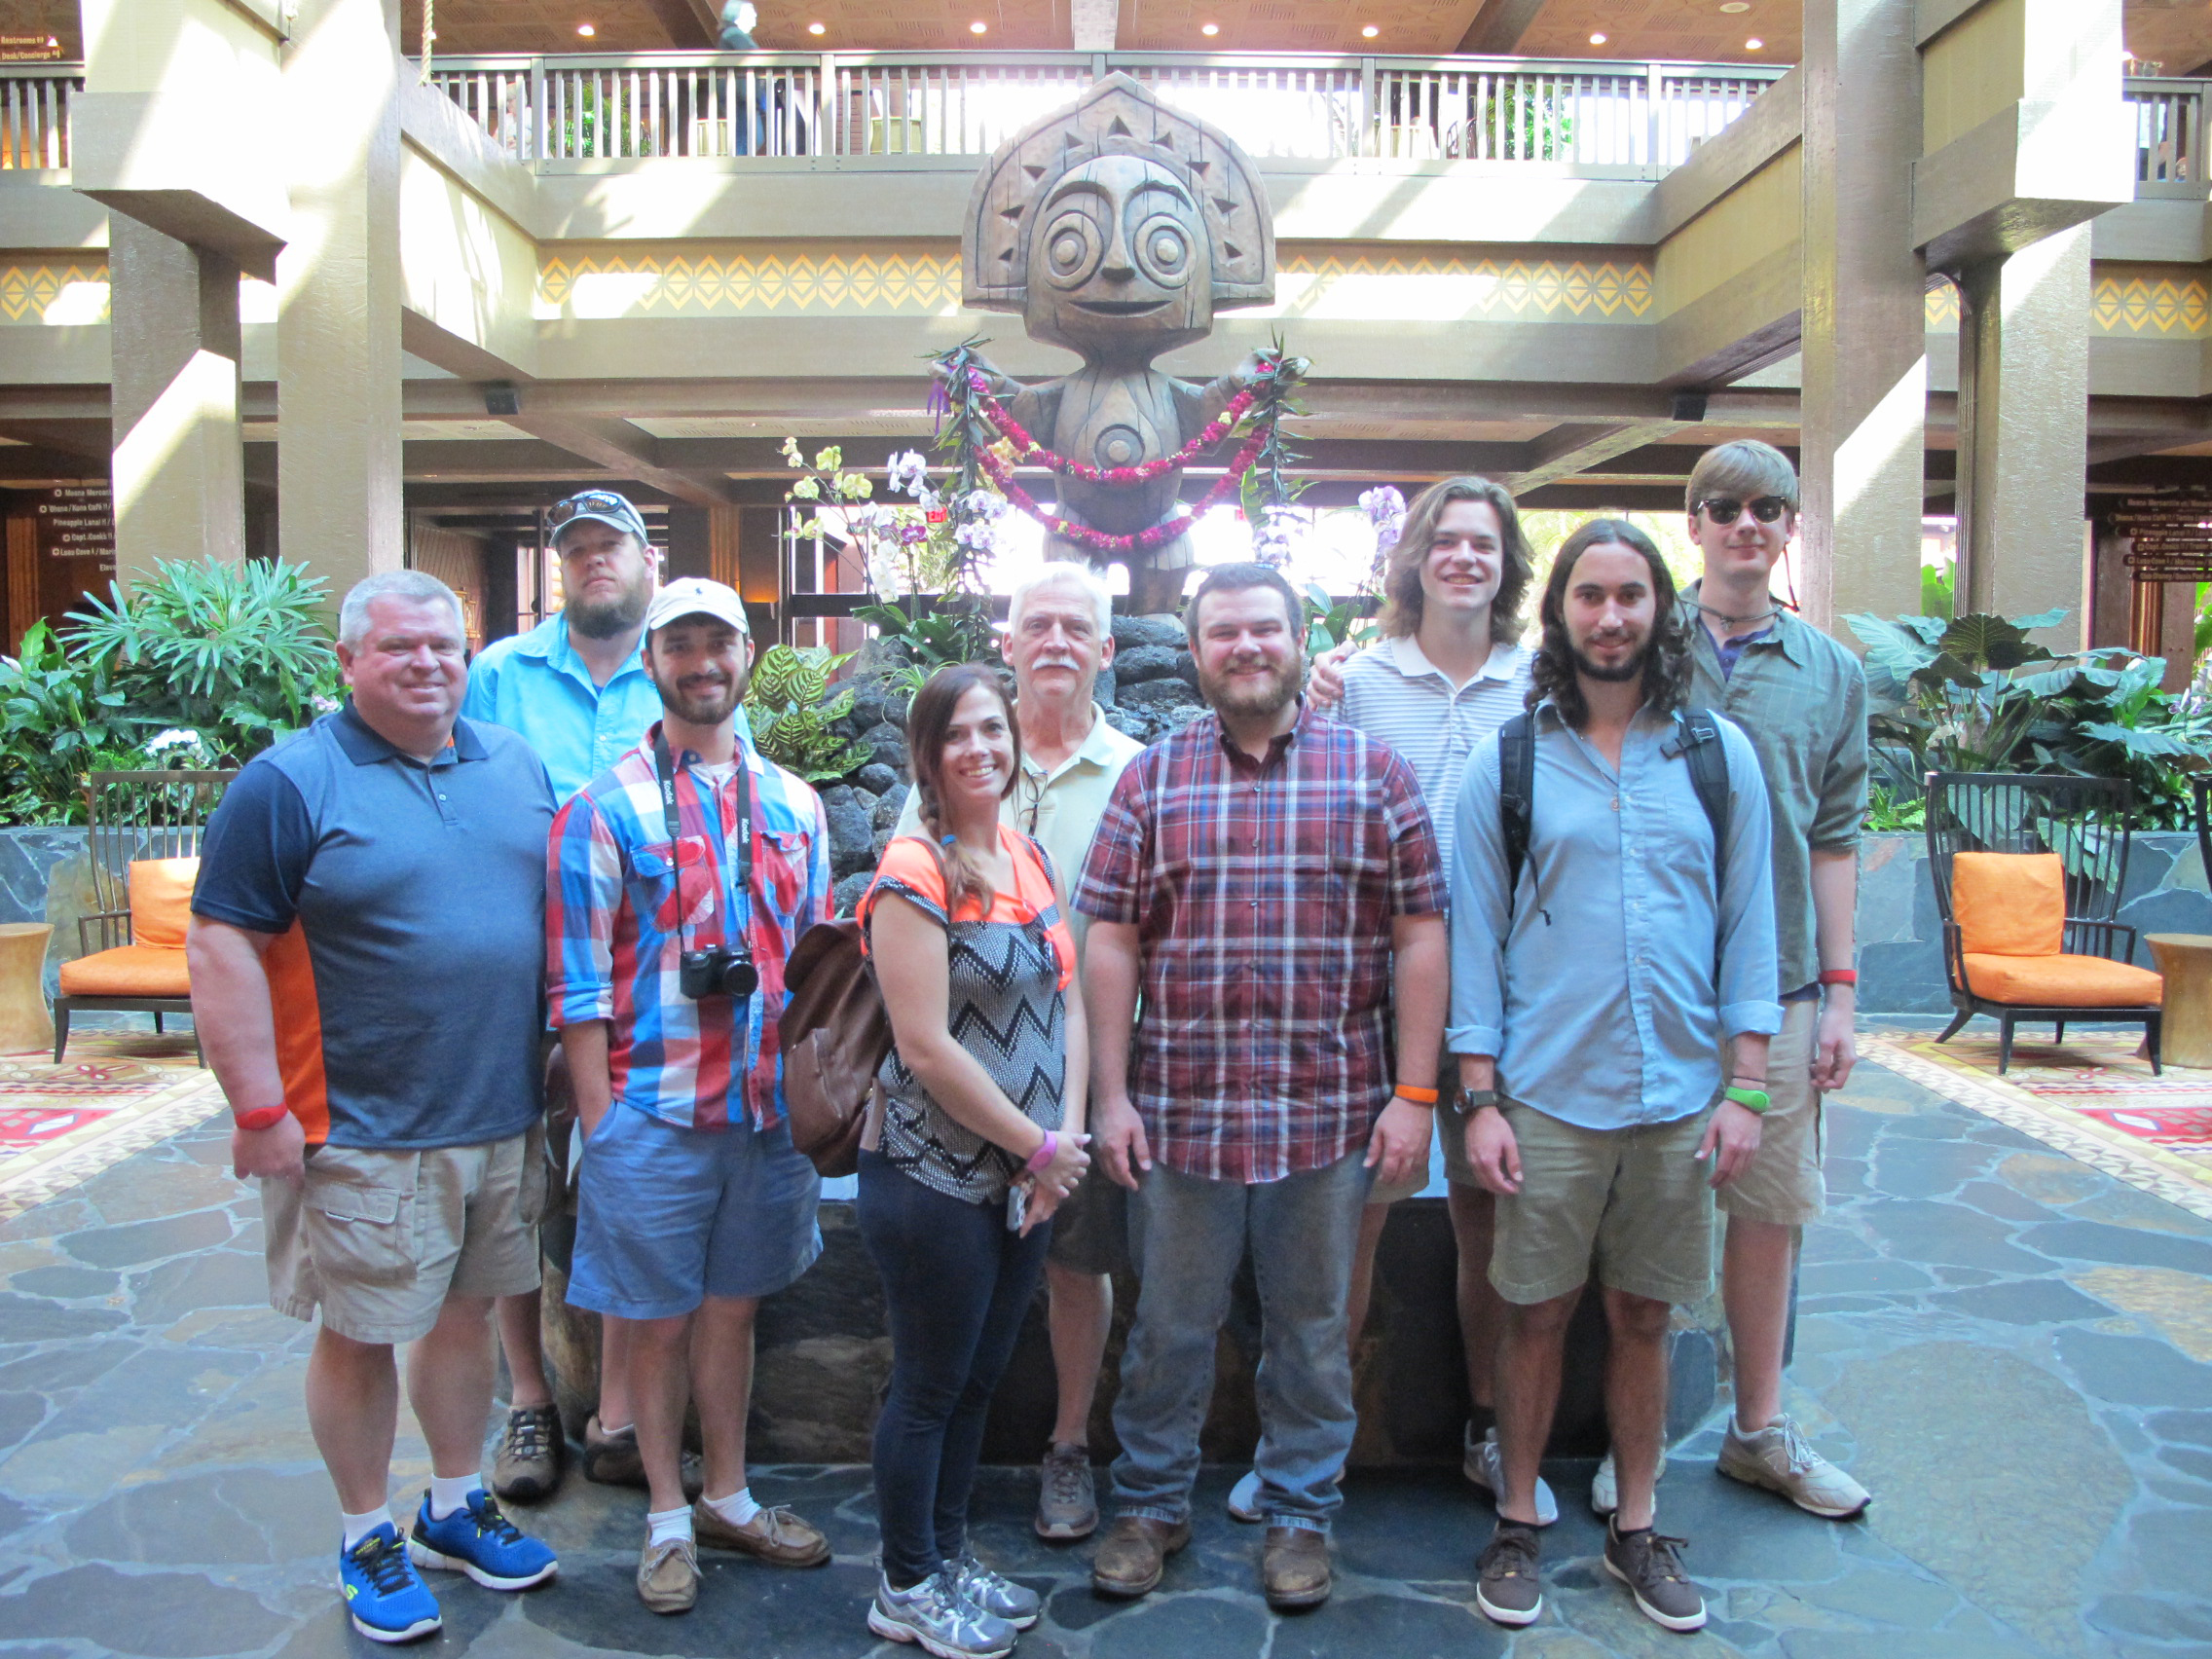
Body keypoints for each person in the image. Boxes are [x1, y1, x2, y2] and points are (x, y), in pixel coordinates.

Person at [188, 571, 560, 1644]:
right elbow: (220, 945)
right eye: (398, 647)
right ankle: (364, 1535)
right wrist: (259, 1108)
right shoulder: (288, 783)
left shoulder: (513, 763)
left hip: (498, 1113)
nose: (427, 664)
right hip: (359, 1127)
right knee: (358, 1335)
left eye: (444, 645)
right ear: (348, 662)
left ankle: (452, 1504)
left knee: (466, 1316)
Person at [1079, 562, 1449, 1611]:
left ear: (1299, 640)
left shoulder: (1374, 777)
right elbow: (1110, 940)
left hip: (1327, 1113)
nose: (1245, 648)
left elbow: (1420, 937)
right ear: (1196, 652)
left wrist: (1415, 1094)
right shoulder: (1151, 781)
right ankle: (1151, 1504)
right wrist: (1111, 1096)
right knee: (1166, 1330)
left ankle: (1298, 1516)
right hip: (1180, 1116)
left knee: (1313, 1334)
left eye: (1264, 630)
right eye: (1223, 633)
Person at [1452, 522, 1779, 1634]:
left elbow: (1751, 921)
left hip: (1680, 1096)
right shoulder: (1508, 762)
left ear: (1659, 610)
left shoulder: (1716, 758)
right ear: (1559, 614)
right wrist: (1480, 1097)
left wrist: (1746, 1086)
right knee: (1534, 1313)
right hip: (1546, 1093)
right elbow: (1474, 938)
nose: (1609, 616)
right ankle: (1516, 1520)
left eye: (1629, 595)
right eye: (1587, 596)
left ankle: (1637, 1525)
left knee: (1644, 1315)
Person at [1228, 476, 1548, 1529]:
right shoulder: (1356, 683)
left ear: (1506, 565)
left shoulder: (1537, 684)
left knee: (1487, 1218)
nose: (1464, 558)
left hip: (1505, 995)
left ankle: (1491, 1425)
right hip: (1376, 996)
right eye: (1444, 541)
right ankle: (1300, 1442)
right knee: (1347, 1227)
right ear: (1413, 558)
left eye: (1484, 543)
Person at [547, 577, 835, 1615]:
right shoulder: (602, 808)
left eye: (720, 643)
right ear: (652, 662)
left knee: (732, 1313)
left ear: (747, 654)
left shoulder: (796, 804)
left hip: (764, 1117)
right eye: (680, 645)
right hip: (654, 1111)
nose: (702, 663)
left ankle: (729, 1495)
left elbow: (816, 965)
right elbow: (577, 987)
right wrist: (603, 1126)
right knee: (659, 1324)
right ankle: (667, 1514)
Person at [894, 561, 1143, 1542]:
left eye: (1076, 627)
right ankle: (929, 1523)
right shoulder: (953, 777)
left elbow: (1113, 950)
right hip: (951, 1102)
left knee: (1078, 1267)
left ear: (1106, 649)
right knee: (946, 1330)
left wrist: (1074, 1124)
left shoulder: (1135, 771)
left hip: (1074, 1079)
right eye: (1036, 624)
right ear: (1008, 643)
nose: (1055, 642)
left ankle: (1067, 1447)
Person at [858, 664, 1095, 1658]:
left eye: (992, 729)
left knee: (978, 1381)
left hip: (1024, 1181)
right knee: (928, 1387)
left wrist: (1060, 1148)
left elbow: (1069, 1003)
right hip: (932, 1178)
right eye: (955, 734)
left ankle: (948, 1556)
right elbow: (924, 1048)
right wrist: (1035, 1144)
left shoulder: (1029, 856)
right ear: (927, 754)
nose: (979, 749)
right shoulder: (911, 874)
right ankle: (907, 1582)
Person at [1656, 439, 1873, 1521]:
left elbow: (1833, 839)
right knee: (1646, 1209)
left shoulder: (1830, 672)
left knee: (1768, 1208)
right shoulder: (1635, 644)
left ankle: (1757, 1430)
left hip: (1781, 986)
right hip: (1652, 984)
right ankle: (1636, 1439)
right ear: (1694, 524)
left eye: (1769, 508)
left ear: (1791, 528)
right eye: (1726, 506)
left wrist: (1840, 994)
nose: (1748, 524)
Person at [462, 487, 669, 1504]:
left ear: (645, 563)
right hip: (513, 972)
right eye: (576, 549)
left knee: (625, 1176)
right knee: (515, 1186)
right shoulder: (499, 677)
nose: (594, 562)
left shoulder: (677, 664)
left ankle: (619, 1409)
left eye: (610, 547)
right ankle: (531, 1400)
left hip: (638, 981)